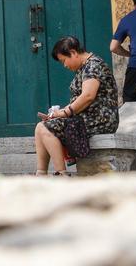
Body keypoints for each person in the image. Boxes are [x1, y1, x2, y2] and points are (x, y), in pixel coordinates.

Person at [34, 36, 119, 175]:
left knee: (45, 128)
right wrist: (60, 113)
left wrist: (65, 113)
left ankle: (62, 174)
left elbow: (88, 96)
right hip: (86, 118)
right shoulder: (84, 67)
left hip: (99, 120)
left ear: (73, 52)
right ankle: (41, 174)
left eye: (64, 60)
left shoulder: (93, 65)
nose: (65, 65)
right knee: (40, 127)